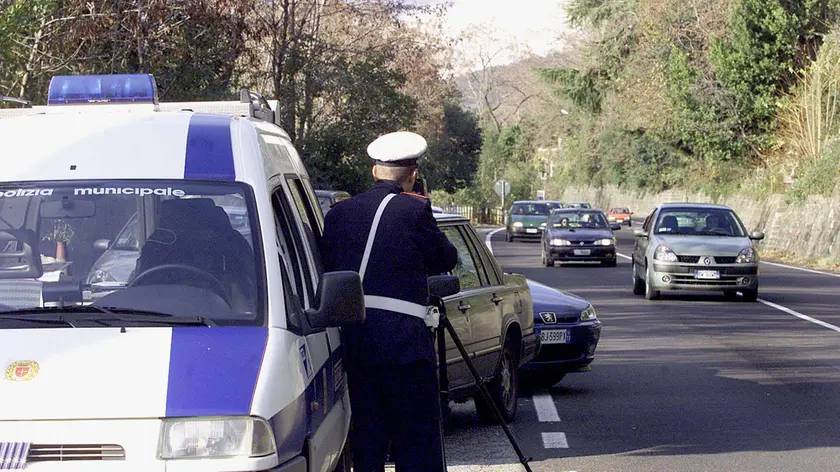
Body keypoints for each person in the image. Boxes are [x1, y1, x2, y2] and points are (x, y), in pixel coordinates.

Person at [321, 131, 458, 472]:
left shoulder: (338, 214)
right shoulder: (414, 210)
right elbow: (445, 258)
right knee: (417, 441)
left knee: (368, 440)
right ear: (414, 174)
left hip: (355, 343)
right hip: (405, 347)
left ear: (373, 171)